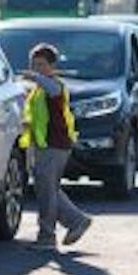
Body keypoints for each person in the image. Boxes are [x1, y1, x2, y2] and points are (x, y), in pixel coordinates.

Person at [19, 43, 92, 251]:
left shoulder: (54, 85)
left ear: (52, 66)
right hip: (44, 145)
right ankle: (76, 220)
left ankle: (47, 237)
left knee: (47, 193)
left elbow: (52, 92)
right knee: (48, 189)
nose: (36, 68)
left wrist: (34, 78)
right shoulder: (38, 89)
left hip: (55, 145)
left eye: (41, 64)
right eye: (34, 64)